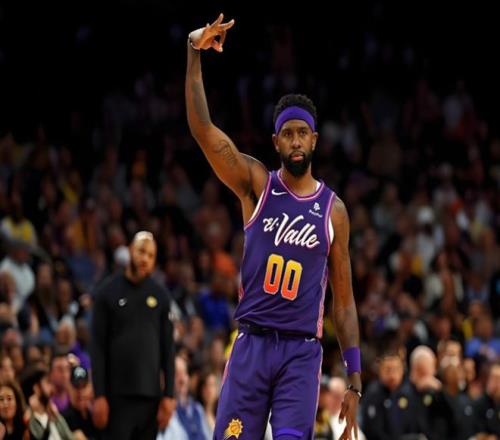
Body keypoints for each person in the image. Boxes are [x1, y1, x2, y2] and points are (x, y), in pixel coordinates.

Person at [186, 13, 362, 440]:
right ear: (276, 142)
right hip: (251, 344)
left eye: (303, 133)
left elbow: (343, 302)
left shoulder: (333, 211)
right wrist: (194, 53)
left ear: (314, 139)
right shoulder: (257, 185)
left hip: (301, 353)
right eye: (288, 134)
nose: (296, 141)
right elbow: (203, 130)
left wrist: (355, 378)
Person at [90, 231, 175, 440]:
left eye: (151, 255)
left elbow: (168, 349)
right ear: (130, 251)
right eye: (141, 252)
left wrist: (169, 395)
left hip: (150, 398)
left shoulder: (161, 297)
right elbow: (97, 347)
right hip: (115, 397)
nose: (145, 259)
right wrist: (99, 395)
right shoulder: (106, 293)